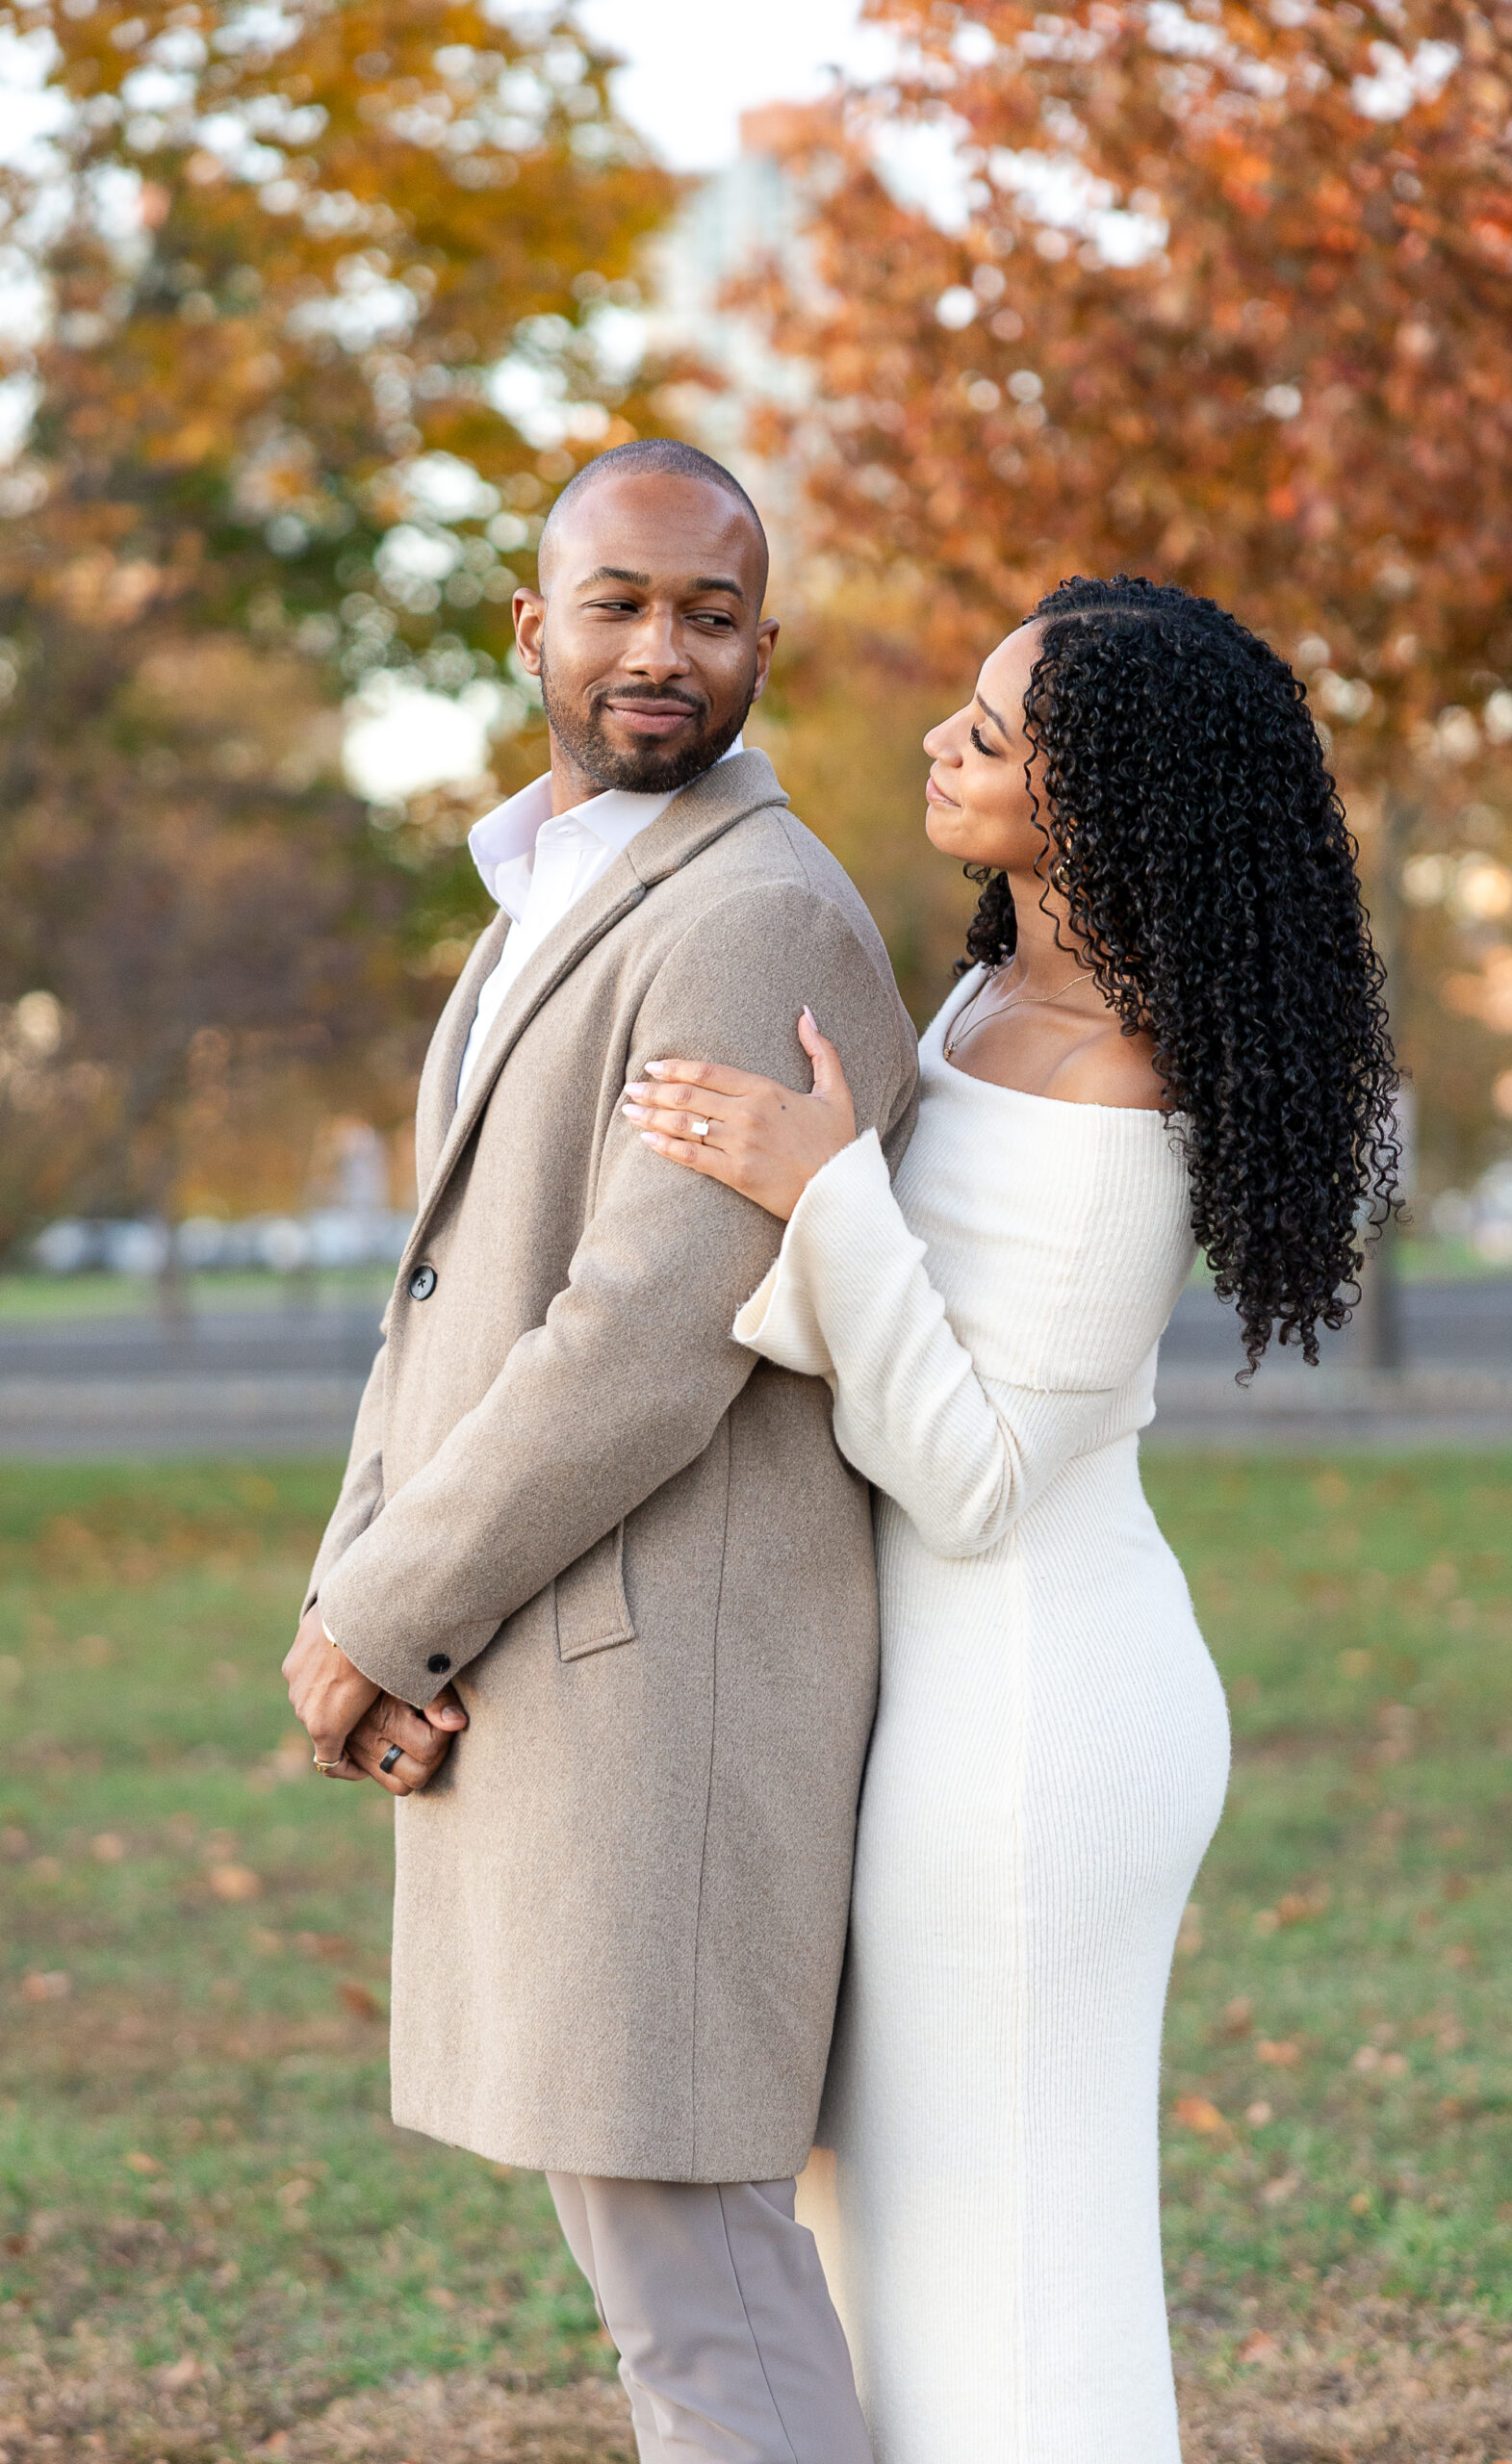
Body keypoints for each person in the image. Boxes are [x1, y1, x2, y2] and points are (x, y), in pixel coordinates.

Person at [624, 576, 1399, 2464]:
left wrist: (824, 1194)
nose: (937, 744)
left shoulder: (1115, 1072)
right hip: (942, 1701)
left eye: (989, 730)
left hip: (1034, 1719)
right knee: (886, 2244)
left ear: (1110, 794)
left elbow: (965, 1474)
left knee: (1018, 2285)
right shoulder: (998, 990)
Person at [281, 439, 919, 2464]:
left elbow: (643, 1339)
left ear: (762, 647)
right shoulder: (546, 884)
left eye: (711, 615)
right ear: (529, 623)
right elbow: (445, 1291)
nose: (664, 650)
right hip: (552, 1673)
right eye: (623, 603)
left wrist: (389, 1609)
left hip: (667, 1704)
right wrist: (351, 1590)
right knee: (671, 2289)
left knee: (702, 2302)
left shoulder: (751, 911)